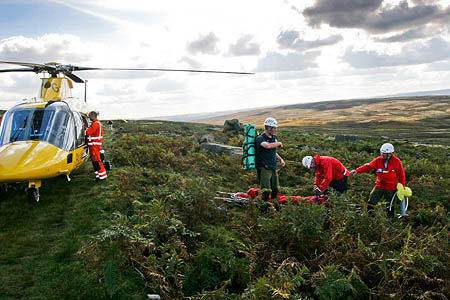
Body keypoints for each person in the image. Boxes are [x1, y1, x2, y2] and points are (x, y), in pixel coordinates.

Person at [350, 143, 405, 216]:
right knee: (372, 200)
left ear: (390, 154)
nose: (382, 155)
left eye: (384, 154)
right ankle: (369, 216)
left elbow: (401, 175)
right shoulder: (378, 160)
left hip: (391, 187)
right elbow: (368, 166)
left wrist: (402, 186)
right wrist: (357, 171)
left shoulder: (397, 162)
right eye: (381, 153)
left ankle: (390, 220)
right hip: (379, 185)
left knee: (390, 205)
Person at [255, 117, 285, 202]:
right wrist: (278, 143)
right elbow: (267, 146)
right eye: (274, 128)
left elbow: (273, 151)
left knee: (275, 189)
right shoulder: (260, 138)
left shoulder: (274, 137)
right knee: (266, 190)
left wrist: (281, 159)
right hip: (264, 168)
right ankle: (263, 208)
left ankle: (273, 206)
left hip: (273, 167)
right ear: (268, 128)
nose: (275, 130)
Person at [85, 111, 107, 182]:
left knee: (97, 161)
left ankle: (103, 177)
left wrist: (84, 129)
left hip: (94, 146)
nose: (89, 118)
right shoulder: (98, 123)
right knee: (95, 161)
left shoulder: (95, 124)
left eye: (90, 116)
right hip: (94, 146)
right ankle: (98, 176)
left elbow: (88, 132)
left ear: (92, 115)